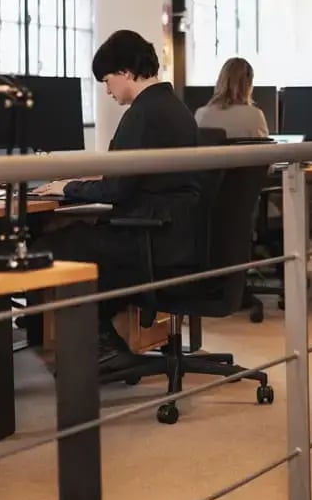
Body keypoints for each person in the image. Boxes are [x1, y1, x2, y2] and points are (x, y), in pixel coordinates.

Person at [33, 29, 201, 366]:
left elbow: (115, 190)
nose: (107, 90)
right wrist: (89, 181)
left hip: (151, 240)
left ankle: (100, 342)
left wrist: (66, 188)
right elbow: (140, 176)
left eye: (107, 80)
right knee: (81, 237)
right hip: (175, 235)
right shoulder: (172, 107)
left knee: (55, 245)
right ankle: (101, 336)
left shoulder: (143, 113)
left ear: (125, 72)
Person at [194, 57, 269, 139]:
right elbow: (264, 146)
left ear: (220, 81)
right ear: (248, 85)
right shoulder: (255, 115)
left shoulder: (201, 114)